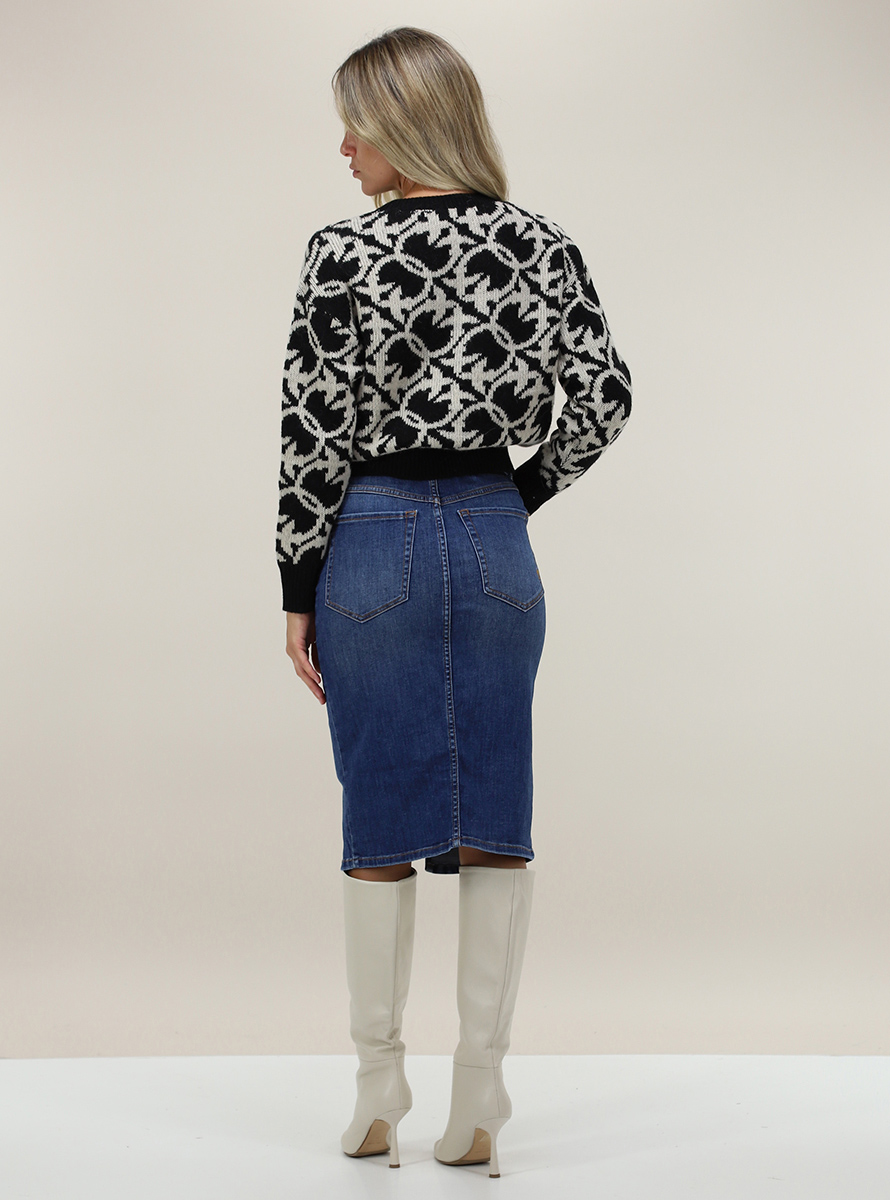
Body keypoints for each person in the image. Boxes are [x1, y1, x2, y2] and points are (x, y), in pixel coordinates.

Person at [277, 26, 632, 1175]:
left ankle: (377, 1088)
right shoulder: (540, 243)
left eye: (354, 126)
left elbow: (311, 432)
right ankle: (478, 1096)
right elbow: (603, 398)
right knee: (495, 815)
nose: (343, 148)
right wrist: (511, 494)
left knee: (375, 815)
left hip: (370, 538)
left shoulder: (341, 253)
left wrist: (296, 585)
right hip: (491, 538)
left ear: (401, 123)